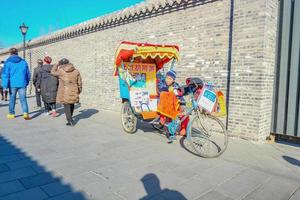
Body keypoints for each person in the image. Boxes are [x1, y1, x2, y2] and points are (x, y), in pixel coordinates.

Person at [157, 70, 189, 141]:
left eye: (170, 79)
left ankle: (183, 130)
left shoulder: (176, 85)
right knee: (172, 114)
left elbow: (180, 95)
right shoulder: (162, 83)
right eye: (167, 78)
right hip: (165, 104)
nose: (167, 80)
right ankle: (171, 133)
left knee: (185, 115)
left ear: (173, 80)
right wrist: (169, 90)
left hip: (176, 103)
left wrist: (182, 103)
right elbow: (161, 91)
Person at [1, 48, 30, 120]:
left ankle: (11, 114)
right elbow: (28, 74)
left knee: (12, 99)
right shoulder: (23, 62)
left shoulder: (8, 63)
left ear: (10, 53)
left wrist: (4, 86)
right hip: (22, 83)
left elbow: (5, 75)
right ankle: (25, 113)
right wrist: (26, 82)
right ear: (17, 53)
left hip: (12, 84)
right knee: (23, 99)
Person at [51, 58, 82, 126]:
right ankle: (70, 117)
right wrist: (79, 90)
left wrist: (56, 64)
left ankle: (70, 120)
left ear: (61, 64)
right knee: (72, 103)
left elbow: (52, 72)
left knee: (66, 105)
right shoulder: (76, 71)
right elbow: (79, 82)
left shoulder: (61, 71)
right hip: (74, 89)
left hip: (64, 91)